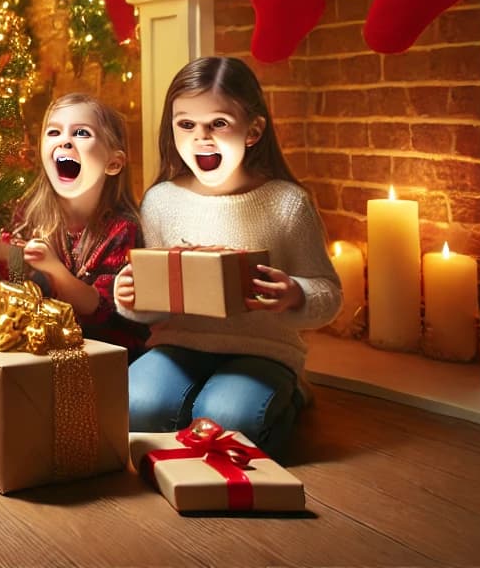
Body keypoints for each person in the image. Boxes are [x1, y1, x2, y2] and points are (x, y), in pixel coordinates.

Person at [115, 56, 340, 459]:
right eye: (186, 125)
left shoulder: (287, 203)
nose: (201, 137)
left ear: (252, 130)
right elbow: (152, 300)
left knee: (226, 416)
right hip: (179, 345)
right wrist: (130, 297)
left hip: (263, 350)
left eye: (218, 123)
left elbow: (328, 291)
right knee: (136, 405)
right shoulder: (161, 201)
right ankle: (191, 421)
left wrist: (296, 295)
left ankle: (290, 397)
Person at [0, 92, 147, 356]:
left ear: (113, 163)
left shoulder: (122, 229)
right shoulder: (32, 212)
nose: (65, 141)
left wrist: (54, 268)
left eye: (82, 133)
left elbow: (97, 309)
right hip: (45, 349)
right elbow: (25, 285)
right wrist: (0, 256)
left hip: (106, 356)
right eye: (54, 132)